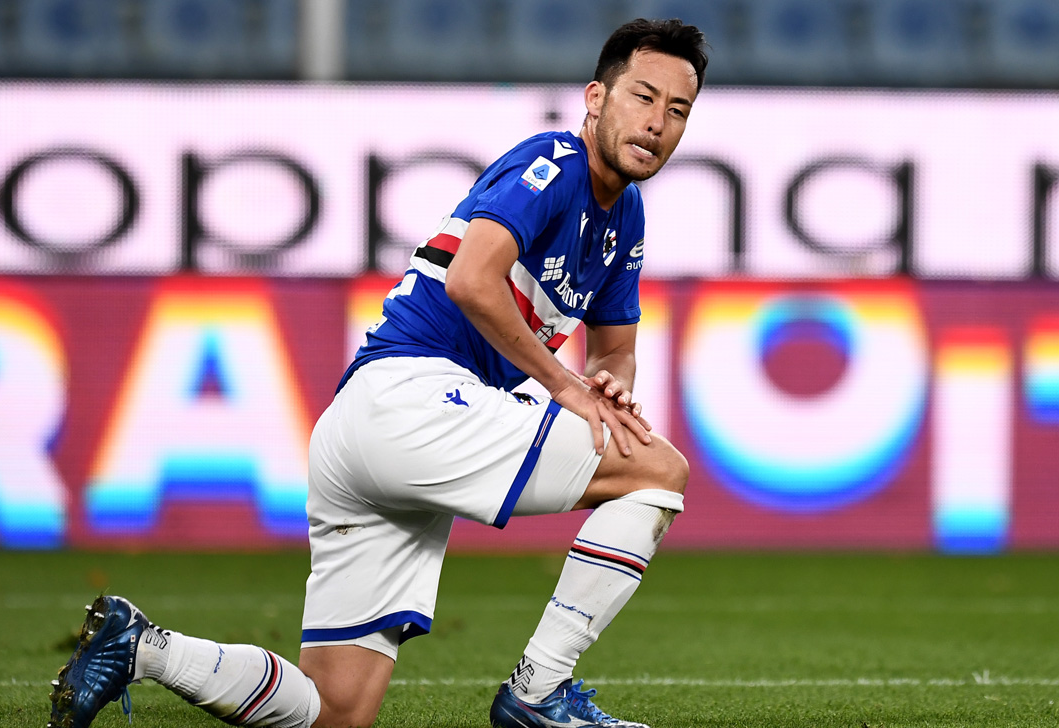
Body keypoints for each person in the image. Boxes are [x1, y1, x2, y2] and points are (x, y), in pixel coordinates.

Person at [48, 17, 707, 728]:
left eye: (678, 110)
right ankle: (539, 691)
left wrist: (608, 383)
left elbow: (614, 349)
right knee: (658, 471)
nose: (657, 123)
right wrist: (566, 386)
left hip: (366, 426)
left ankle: (141, 647)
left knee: (335, 710)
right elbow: (471, 281)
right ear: (596, 98)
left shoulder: (624, 218)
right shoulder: (553, 162)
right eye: (643, 96)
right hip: (414, 397)